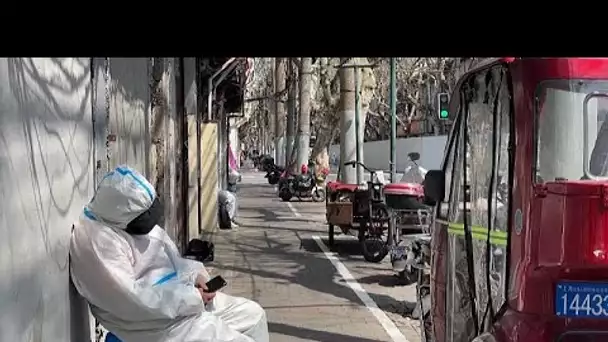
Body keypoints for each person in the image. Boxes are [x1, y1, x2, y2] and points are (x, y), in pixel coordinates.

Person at [70, 166, 269, 342]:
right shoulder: (96, 242)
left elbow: (174, 262)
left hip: (182, 302)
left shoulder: (132, 220)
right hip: (153, 325)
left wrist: (196, 277)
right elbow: (133, 300)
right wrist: (191, 297)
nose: (150, 224)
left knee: (254, 315)